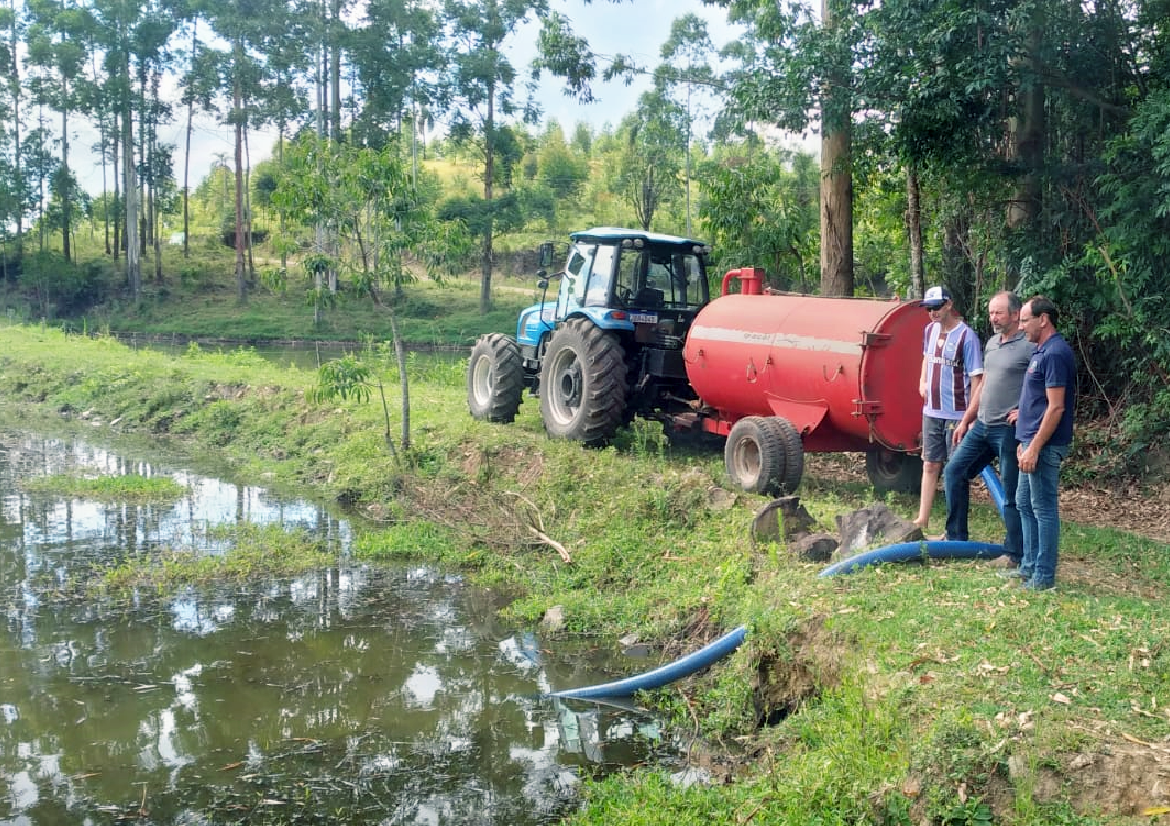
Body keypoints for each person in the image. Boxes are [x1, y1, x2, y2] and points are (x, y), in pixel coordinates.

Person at [942, 292, 1036, 565]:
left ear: (1016, 315)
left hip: (1008, 430)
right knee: (954, 471)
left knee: (1010, 492)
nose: (993, 318)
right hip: (982, 425)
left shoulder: (1029, 345)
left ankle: (1014, 553)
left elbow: (1042, 383)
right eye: (991, 313)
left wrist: (1025, 411)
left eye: (999, 313)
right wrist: (966, 419)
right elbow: (983, 384)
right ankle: (956, 538)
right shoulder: (993, 343)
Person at [1010, 296, 1076, 590]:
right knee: (1025, 502)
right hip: (1030, 440)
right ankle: (1028, 567)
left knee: (1043, 508)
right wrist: (1023, 426)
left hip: (1045, 446)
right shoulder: (1041, 351)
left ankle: (1043, 577)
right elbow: (1038, 401)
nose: (1021, 325)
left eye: (1025, 320)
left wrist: (1034, 446)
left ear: (1043, 319)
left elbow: (1056, 407)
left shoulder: (1055, 354)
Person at [915, 286, 984, 531]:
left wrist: (971, 416)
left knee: (954, 471)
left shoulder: (967, 337)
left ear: (948, 305)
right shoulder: (929, 331)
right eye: (928, 308)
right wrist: (922, 381)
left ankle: (952, 527)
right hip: (931, 411)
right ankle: (922, 518)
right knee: (930, 464)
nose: (932, 313)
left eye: (936, 307)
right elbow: (926, 357)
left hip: (957, 414)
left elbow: (977, 377)